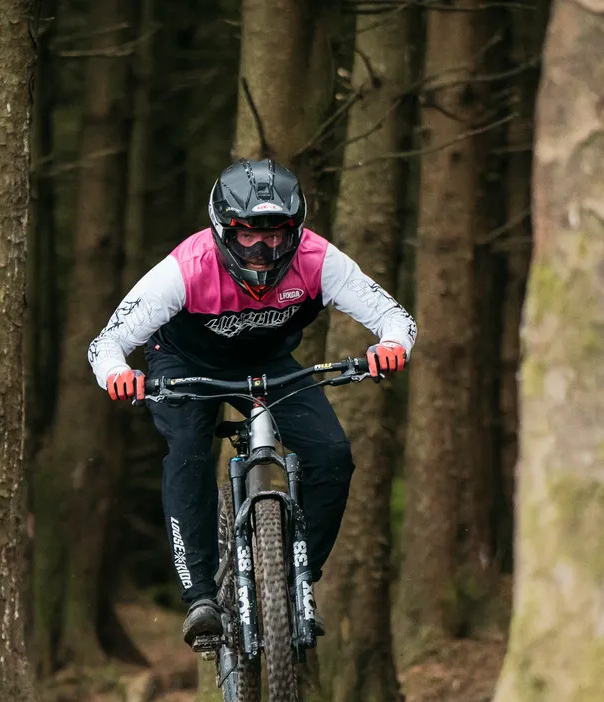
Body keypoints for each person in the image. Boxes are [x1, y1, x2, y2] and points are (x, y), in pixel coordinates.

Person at [87, 159, 416, 649]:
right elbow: (106, 344)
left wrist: (390, 346)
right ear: (224, 232)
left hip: (269, 363)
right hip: (185, 362)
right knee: (189, 449)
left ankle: (295, 576)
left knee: (331, 455)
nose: (263, 252)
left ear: (295, 232)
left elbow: (395, 318)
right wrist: (118, 374)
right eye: (248, 237)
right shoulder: (184, 269)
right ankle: (200, 596)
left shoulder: (319, 260)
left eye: (276, 237)